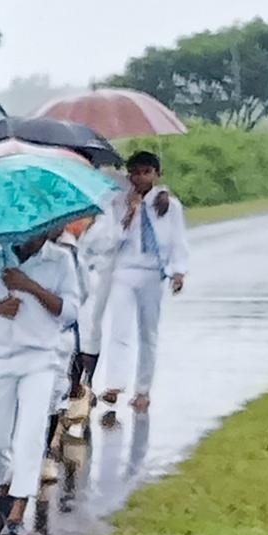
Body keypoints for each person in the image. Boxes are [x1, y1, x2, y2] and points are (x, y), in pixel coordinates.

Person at [0, 218, 84, 535]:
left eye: (40, 227)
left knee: (30, 431)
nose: (31, 233)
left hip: (39, 358)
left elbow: (71, 311)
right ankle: (4, 484)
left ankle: (17, 510)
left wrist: (31, 287)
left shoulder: (59, 261)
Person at [90, 149, 191, 415]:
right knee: (119, 328)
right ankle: (114, 384)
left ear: (158, 175)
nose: (140, 178)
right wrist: (131, 212)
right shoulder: (119, 200)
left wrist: (178, 271)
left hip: (152, 272)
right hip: (124, 270)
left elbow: (178, 239)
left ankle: (143, 390)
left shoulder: (169, 204)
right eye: (135, 172)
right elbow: (113, 238)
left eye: (147, 172)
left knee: (148, 332)